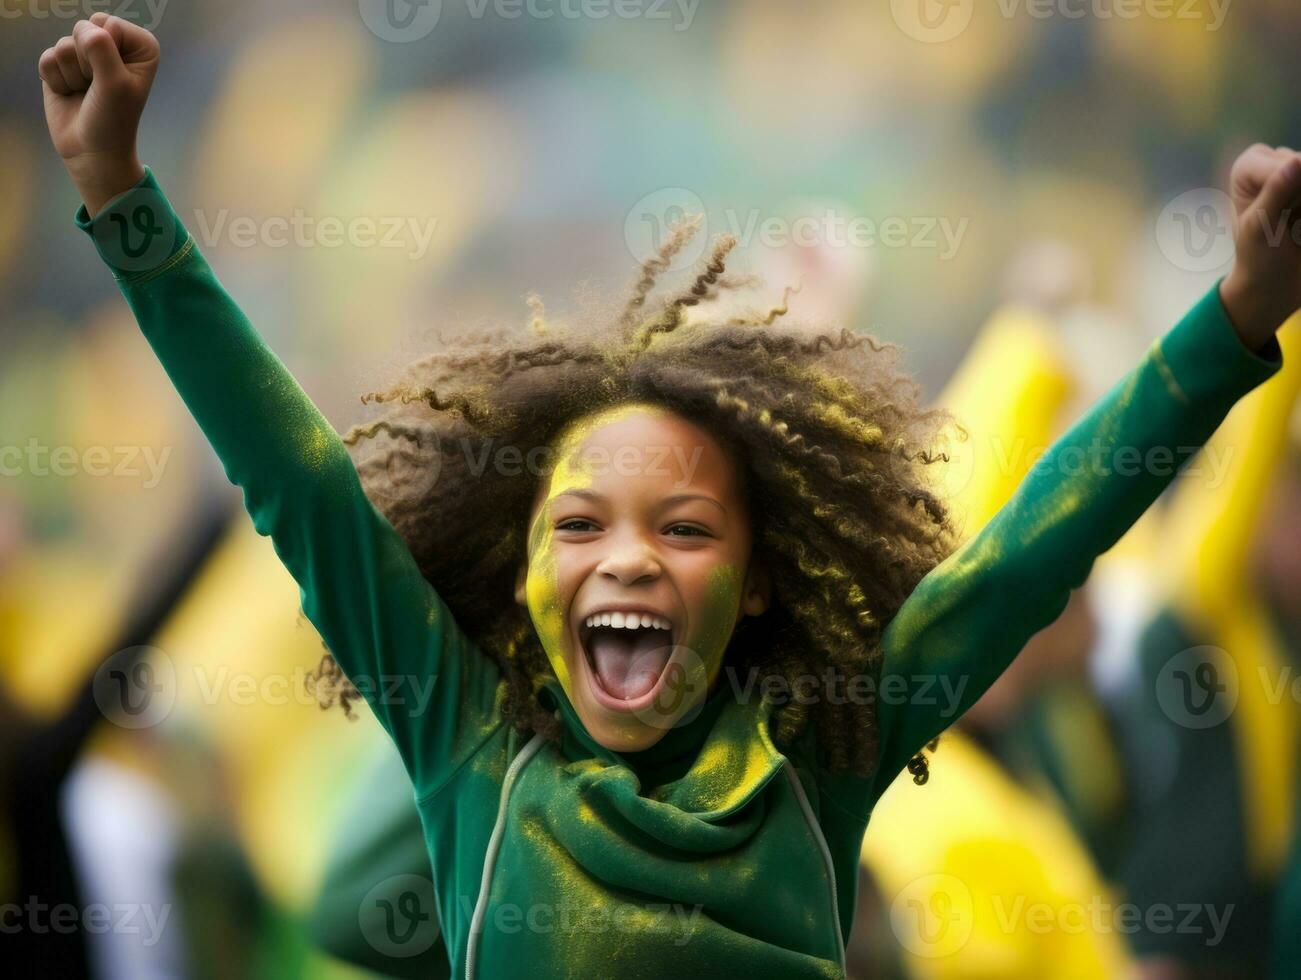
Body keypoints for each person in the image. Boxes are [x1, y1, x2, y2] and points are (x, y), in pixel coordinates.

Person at [40, 14, 1296, 978]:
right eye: (576, 524)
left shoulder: (827, 750)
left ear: (757, 581)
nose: (625, 557)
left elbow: (1033, 546)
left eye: (682, 525)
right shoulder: (467, 745)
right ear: (517, 577)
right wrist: (119, 198)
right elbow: (293, 472)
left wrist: (1234, 314)